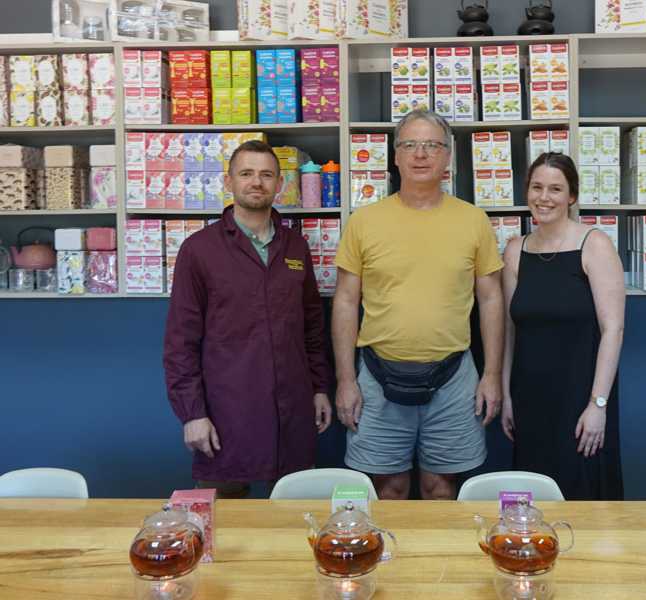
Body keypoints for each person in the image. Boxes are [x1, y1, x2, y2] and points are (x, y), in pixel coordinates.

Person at [333, 109, 505, 500]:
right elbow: (345, 301)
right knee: (387, 490)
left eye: (432, 145)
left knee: (441, 489)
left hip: (454, 376)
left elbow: (491, 299)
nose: (421, 154)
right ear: (395, 156)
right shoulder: (364, 221)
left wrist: (491, 374)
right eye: (410, 144)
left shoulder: (474, 221)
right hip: (376, 376)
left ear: (447, 158)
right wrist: (345, 380)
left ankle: (437, 564)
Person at [163, 140, 332, 499]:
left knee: (292, 517)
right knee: (223, 522)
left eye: (266, 175)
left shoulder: (295, 247)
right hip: (226, 411)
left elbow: (312, 327)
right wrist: (192, 414)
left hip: (292, 407)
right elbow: (180, 342)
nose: (257, 182)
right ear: (229, 182)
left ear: (279, 184)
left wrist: (319, 387)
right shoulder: (199, 250)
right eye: (247, 173)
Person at [501, 152, 625, 500]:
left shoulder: (594, 244)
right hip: (530, 398)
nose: (544, 197)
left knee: (581, 495)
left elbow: (613, 330)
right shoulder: (515, 250)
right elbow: (511, 329)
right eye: (537, 187)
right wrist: (507, 394)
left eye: (555, 189)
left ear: (571, 196)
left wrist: (597, 404)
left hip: (581, 398)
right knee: (533, 499)